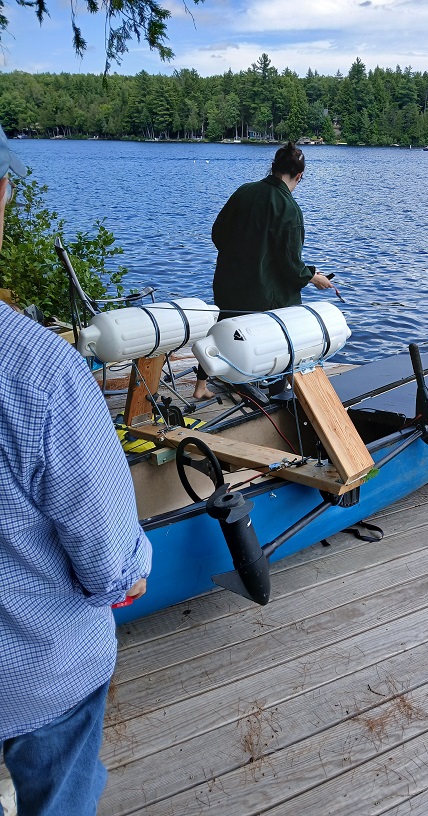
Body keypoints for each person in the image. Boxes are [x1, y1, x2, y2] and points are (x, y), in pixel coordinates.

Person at [0, 125, 152, 815]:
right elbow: (110, 566)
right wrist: (133, 567)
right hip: (34, 678)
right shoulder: (40, 372)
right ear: (2, 197)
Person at [193, 142, 333, 400]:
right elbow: (290, 265)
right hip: (261, 293)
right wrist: (314, 277)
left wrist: (241, 257)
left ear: (273, 167)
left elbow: (218, 234)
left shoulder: (244, 191)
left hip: (229, 283)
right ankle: (278, 395)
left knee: (222, 328)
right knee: (285, 329)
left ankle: (200, 387)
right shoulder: (288, 208)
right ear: (299, 176)